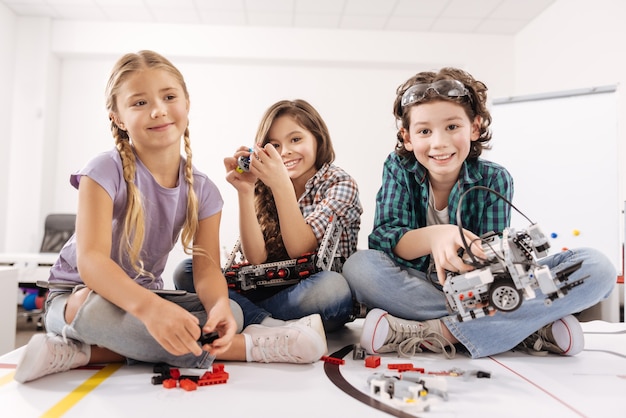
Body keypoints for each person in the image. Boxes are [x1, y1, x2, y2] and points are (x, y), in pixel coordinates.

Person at [341, 67, 616, 359]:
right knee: (360, 268)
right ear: (407, 138)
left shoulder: (495, 179)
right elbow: (385, 240)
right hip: (424, 284)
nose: (439, 143)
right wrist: (437, 236)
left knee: (599, 269)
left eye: (452, 127)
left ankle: (438, 332)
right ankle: (528, 327)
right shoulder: (399, 168)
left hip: (480, 288)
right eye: (424, 131)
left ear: (474, 127)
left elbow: (494, 266)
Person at [14, 50, 243, 383]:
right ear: (118, 118)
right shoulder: (102, 171)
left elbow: (207, 273)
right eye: (139, 103)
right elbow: (91, 261)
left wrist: (219, 304)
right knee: (90, 310)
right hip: (78, 296)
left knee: (231, 312)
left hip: (143, 299)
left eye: (169, 96)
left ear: (187, 103)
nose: (158, 110)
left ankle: (82, 353)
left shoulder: (205, 191)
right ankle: (249, 347)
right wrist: (151, 310)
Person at [174, 99, 363, 363]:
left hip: (315, 296)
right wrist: (246, 190)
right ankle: (267, 324)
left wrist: (280, 185)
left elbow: (301, 249)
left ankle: (246, 316)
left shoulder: (339, 182)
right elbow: (256, 259)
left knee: (333, 288)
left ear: (318, 140)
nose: (285, 151)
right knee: (186, 270)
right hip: (272, 289)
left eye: (296, 139)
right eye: (274, 145)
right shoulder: (265, 186)